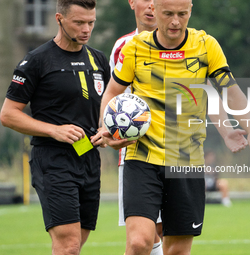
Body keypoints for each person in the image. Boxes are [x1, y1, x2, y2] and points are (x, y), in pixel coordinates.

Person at [94, 0, 250, 254]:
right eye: (168, 14)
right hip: (142, 158)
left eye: (182, 14)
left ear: (191, 10)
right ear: (155, 9)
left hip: (187, 160)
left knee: (176, 250)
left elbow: (228, 90)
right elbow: (111, 93)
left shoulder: (206, 46)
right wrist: (106, 128)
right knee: (140, 242)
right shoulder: (134, 48)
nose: (175, 21)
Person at [0, 1, 109, 254]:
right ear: (59, 18)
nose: (86, 29)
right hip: (53, 160)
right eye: (79, 23)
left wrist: (108, 132)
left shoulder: (99, 59)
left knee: (75, 245)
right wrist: (54, 130)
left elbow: (106, 107)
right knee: (68, 245)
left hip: (89, 158)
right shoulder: (37, 60)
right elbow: (8, 115)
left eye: (91, 22)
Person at [109, 1, 163, 254]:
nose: (152, 5)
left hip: (176, 150)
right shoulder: (125, 46)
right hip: (137, 153)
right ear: (132, 2)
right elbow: (116, 100)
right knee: (142, 240)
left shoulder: (186, 45)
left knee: (166, 235)